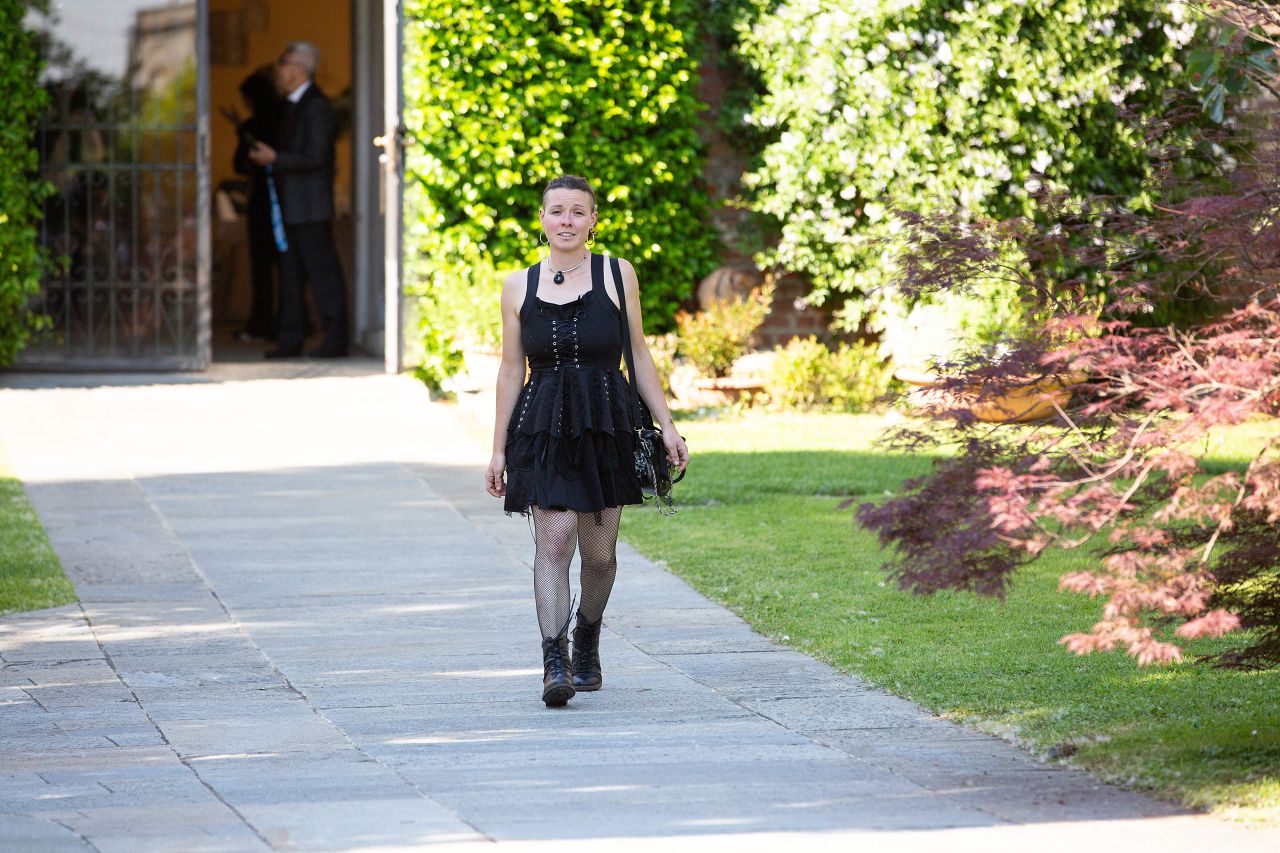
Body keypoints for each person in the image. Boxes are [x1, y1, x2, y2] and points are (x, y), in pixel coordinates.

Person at [485, 176, 689, 708]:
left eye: (578, 212)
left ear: (593, 220)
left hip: (606, 423)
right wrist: (498, 448)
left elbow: (638, 354)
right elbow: (511, 370)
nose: (567, 221)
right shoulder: (517, 286)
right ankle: (554, 662)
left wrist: (667, 425)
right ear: (542, 219)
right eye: (557, 211)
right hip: (543, 427)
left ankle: (587, 635)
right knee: (554, 545)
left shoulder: (618, 274)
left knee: (599, 556)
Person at [250, 41, 349, 359]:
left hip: (310, 206)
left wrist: (275, 158)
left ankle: (335, 340)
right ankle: (290, 339)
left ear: (299, 69)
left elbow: (316, 156)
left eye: (283, 63)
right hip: (292, 206)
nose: (278, 70)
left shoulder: (316, 106)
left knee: (322, 274)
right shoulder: (294, 105)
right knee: (290, 275)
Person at [228, 66, 284, 342]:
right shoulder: (285, 118)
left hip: (263, 200)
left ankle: (261, 323)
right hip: (285, 199)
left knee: (262, 267)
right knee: (287, 266)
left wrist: (242, 134)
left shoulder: (253, 125)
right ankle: (292, 321)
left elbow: (239, 164)